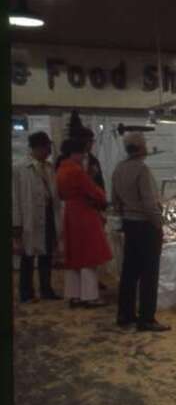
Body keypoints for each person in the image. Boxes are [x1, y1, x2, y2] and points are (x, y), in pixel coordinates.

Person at [111, 132, 171, 332]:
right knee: (149, 274)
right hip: (146, 226)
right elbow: (148, 202)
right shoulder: (142, 170)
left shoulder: (119, 168)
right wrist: (159, 224)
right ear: (139, 147)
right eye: (145, 143)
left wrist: (124, 215)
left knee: (129, 272)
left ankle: (125, 315)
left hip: (129, 223)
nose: (147, 146)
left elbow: (115, 199)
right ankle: (147, 319)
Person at [56, 138, 112, 308]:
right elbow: (95, 193)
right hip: (84, 212)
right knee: (89, 256)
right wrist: (100, 192)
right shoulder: (76, 171)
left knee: (74, 256)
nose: (84, 156)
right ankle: (90, 296)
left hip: (70, 212)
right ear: (76, 153)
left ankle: (74, 295)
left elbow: (59, 194)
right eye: (82, 153)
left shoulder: (61, 169)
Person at [12, 132, 63, 303]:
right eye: (47, 147)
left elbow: (54, 194)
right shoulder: (19, 168)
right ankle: (26, 292)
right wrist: (16, 225)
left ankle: (46, 289)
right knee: (27, 256)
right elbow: (15, 198)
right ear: (38, 147)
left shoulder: (49, 168)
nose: (49, 151)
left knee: (46, 254)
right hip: (29, 217)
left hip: (48, 214)